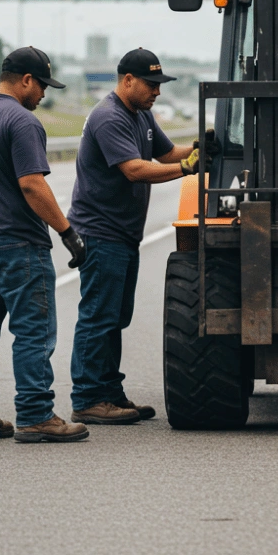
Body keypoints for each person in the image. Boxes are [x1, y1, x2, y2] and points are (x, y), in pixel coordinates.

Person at [0, 47, 88, 443]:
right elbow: (31, 183)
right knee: (33, 332)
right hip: (16, 244)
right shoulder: (21, 121)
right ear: (26, 80)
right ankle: (35, 415)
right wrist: (66, 232)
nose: (44, 93)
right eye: (42, 84)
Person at [67, 48, 210, 425]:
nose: (157, 92)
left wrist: (200, 148)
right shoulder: (109, 117)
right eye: (151, 84)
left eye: (160, 85)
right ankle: (87, 398)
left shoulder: (141, 115)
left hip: (122, 233)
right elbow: (133, 169)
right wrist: (186, 168)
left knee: (115, 317)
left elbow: (164, 154)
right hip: (100, 232)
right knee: (98, 317)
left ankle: (109, 392)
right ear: (127, 80)